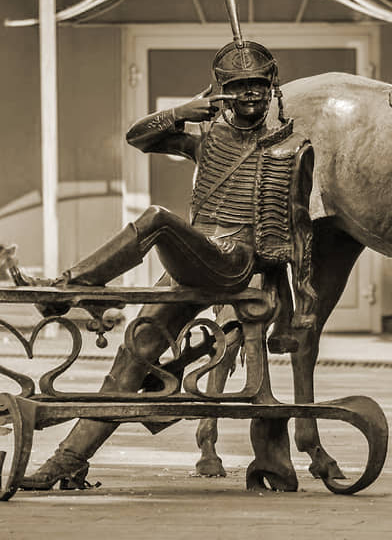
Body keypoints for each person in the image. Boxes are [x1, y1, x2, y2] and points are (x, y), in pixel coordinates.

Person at [15, 37, 317, 490]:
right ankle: (65, 462)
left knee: (157, 219)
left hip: (237, 261)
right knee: (132, 359)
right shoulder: (209, 138)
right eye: (238, 86)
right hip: (191, 263)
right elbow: (139, 137)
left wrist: (298, 308)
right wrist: (182, 111)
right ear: (222, 91)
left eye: (257, 84)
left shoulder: (293, 149)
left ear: (273, 87)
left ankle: (66, 290)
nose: (249, 93)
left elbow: (300, 232)